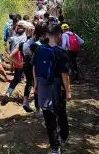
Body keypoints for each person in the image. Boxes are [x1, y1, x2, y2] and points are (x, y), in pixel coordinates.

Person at [34, 23, 73, 154]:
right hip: (57, 89)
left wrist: (36, 85)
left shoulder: (39, 49)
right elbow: (64, 75)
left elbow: (34, 68)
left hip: (44, 87)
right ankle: (63, 136)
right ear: (58, 35)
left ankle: (54, 148)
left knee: (49, 118)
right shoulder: (61, 52)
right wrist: (68, 91)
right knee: (60, 113)